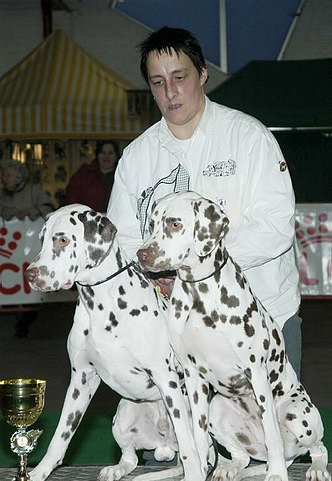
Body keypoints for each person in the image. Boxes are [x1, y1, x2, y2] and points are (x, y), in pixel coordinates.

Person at [107, 26, 301, 379]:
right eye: (158, 82)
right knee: (187, 434)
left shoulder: (248, 137)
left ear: (203, 73)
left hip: (261, 316)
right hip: (178, 329)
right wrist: (157, 277)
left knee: (281, 432)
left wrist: (192, 270)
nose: (170, 92)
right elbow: (125, 238)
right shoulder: (136, 158)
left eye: (180, 77)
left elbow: (275, 227)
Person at [0, 159, 54, 337]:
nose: (5, 178)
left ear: (19, 177)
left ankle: (25, 319)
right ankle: (21, 320)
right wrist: (11, 212)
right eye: (4, 175)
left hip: (30, 245)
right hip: (12, 250)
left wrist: (31, 211)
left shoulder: (33, 191)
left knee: (29, 285)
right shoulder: (3, 194)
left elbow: (48, 208)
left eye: (8, 175)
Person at [65, 140, 120, 212]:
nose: (106, 157)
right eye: (102, 153)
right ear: (97, 155)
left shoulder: (122, 176)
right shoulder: (83, 175)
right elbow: (72, 200)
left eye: (110, 153)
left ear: (116, 156)